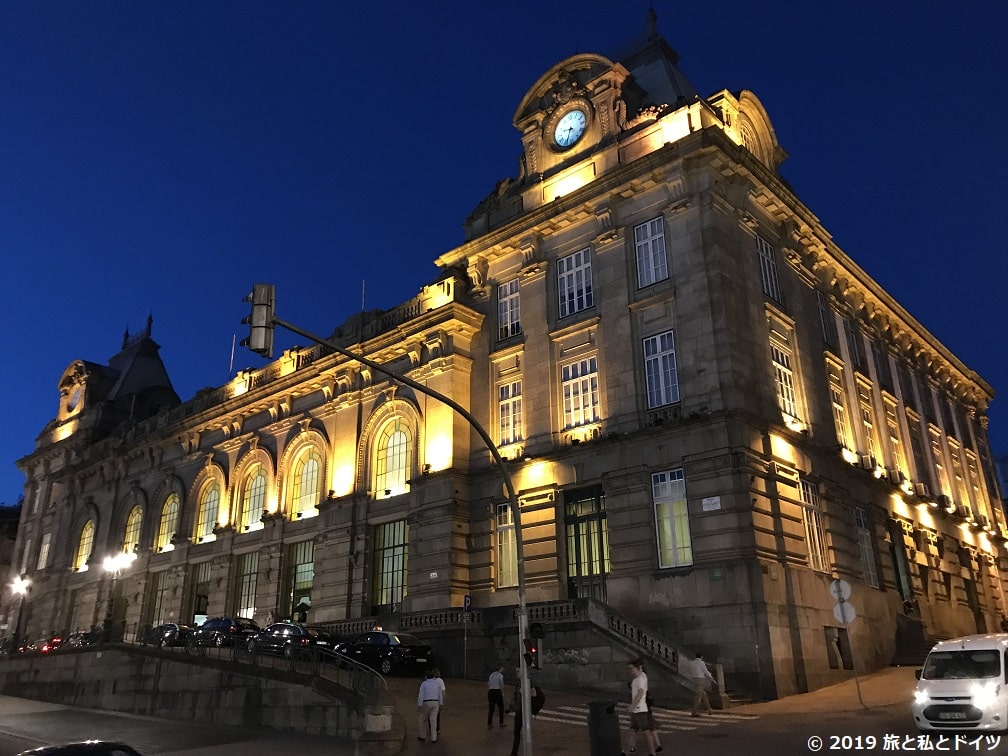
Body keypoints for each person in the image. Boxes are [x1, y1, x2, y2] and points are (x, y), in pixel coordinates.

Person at [626, 659, 657, 756]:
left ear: (637, 668)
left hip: (640, 710)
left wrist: (632, 706)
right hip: (637, 710)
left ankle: (652, 752)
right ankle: (628, 751)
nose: (630, 671)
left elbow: (640, 693)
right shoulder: (642, 676)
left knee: (645, 732)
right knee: (634, 731)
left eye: (632, 668)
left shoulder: (639, 679)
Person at [417, 669, 442, 743]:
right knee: (433, 720)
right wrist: (441, 703)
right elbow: (440, 694)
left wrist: (419, 705)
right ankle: (434, 738)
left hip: (426, 702)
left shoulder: (424, 683)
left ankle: (422, 736)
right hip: (435, 702)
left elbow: (421, 695)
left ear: (426, 677)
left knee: (422, 719)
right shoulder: (437, 683)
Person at [487, 663, 505, 729]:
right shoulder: (500, 675)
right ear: (500, 668)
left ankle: (489, 723)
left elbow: (488, 683)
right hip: (497, 691)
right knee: (501, 708)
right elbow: (502, 684)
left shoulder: (491, 674)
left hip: (491, 691)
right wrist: (502, 693)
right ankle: (501, 722)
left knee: (491, 708)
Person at [432, 667, 446, 735]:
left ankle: (431, 728)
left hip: (430, 699)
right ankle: (436, 729)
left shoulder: (430, 680)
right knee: (437, 715)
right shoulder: (440, 681)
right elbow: (443, 692)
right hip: (437, 700)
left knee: (430, 715)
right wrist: (442, 702)